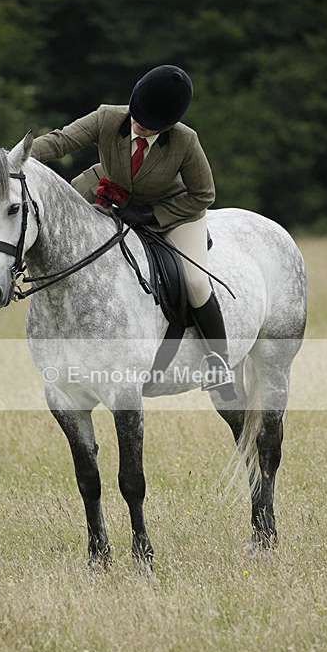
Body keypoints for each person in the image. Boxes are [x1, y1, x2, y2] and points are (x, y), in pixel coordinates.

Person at [31, 64, 236, 400]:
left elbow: (203, 195)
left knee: (196, 282)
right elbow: (60, 142)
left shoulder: (186, 141)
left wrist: (152, 215)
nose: (140, 124)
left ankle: (219, 363)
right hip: (110, 190)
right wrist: (10, 157)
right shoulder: (107, 117)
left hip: (173, 211)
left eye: (151, 124)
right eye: (139, 116)